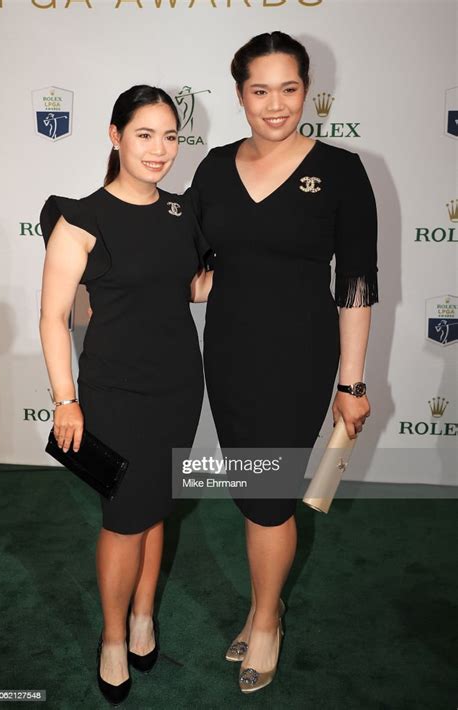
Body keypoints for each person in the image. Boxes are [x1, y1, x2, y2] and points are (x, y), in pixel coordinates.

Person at [188, 31, 379, 693]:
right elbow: (191, 260)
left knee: (270, 499)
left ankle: (267, 617)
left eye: (289, 88)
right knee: (253, 489)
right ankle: (263, 599)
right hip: (231, 353)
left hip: (299, 357)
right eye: (260, 90)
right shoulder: (212, 168)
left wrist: (352, 382)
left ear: (308, 89)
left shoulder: (343, 170)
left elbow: (356, 282)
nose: (276, 105)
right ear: (239, 93)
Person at [39, 85, 211, 706]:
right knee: (123, 517)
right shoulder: (81, 219)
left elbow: (186, 289)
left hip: (177, 385)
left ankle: (144, 616)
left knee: (157, 505)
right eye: (145, 134)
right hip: (112, 390)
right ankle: (114, 637)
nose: (160, 149)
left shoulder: (181, 213)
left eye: (171, 136)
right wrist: (65, 399)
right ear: (115, 136)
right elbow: (54, 318)